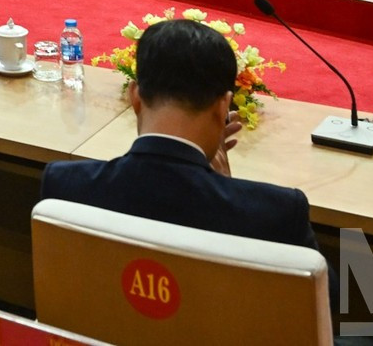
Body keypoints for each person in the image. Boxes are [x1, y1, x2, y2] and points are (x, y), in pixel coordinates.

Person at [40, 17, 314, 249]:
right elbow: (345, 307)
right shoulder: (276, 212)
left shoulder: (64, 186)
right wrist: (228, 189)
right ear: (223, 107)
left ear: (135, 97)